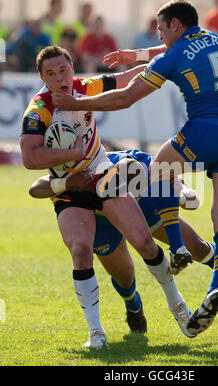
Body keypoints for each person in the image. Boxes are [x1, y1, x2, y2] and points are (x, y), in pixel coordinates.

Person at [52, 0, 218, 337]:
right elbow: (175, 49)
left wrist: (77, 103)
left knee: (160, 168)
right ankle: (216, 287)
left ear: (175, 25)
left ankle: (175, 247)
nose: (159, 35)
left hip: (206, 130)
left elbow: (125, 98)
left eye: (161, 29)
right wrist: (137, 55)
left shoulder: (173, 56)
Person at [20, 45, 191, 349]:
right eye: (51, 74)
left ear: (72, 69)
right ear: (42, 77)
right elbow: (30, 157)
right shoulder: (39, 110)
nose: (60, 79)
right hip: (70, 188)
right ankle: (96, 332)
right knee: (81, 252)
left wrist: (161, 67)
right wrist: (72, 154)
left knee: (144, 243)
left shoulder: (85, 88)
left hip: (103, 175)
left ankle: (176, 304)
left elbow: (125, 80)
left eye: (64, 71)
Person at [29, 149, 218, 341]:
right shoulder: (83, 174)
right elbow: (39, 187)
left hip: (144, 209)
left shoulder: (135, 162)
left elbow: (166, 172)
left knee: (199, 248)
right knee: (124, 277)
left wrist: (183, 192)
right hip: (101, 224)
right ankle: (133, 307)